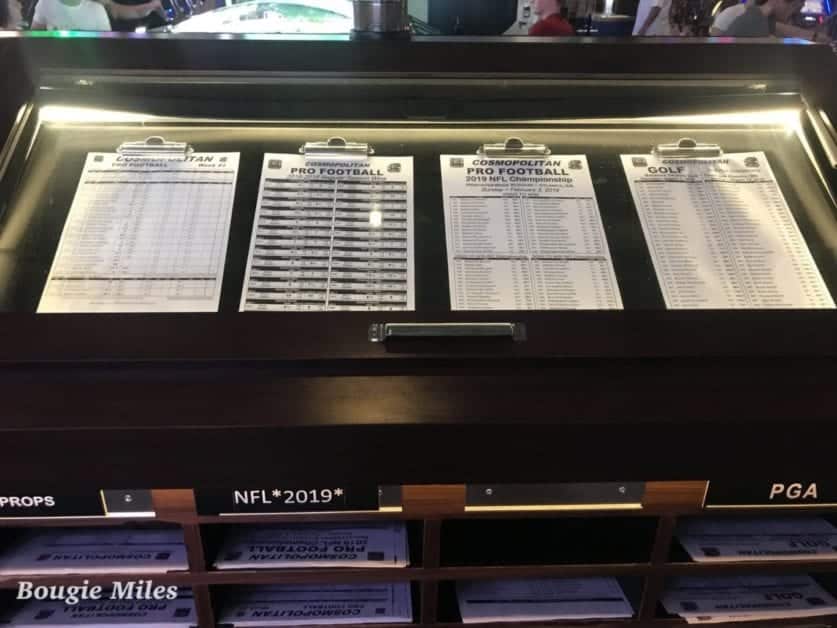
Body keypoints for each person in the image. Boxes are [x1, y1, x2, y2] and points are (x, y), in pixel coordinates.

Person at [30, 0, 160, 30]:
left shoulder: (98, 5)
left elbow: (131, 11)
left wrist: (154, 6)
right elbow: (35, 37)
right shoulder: (45, 3)